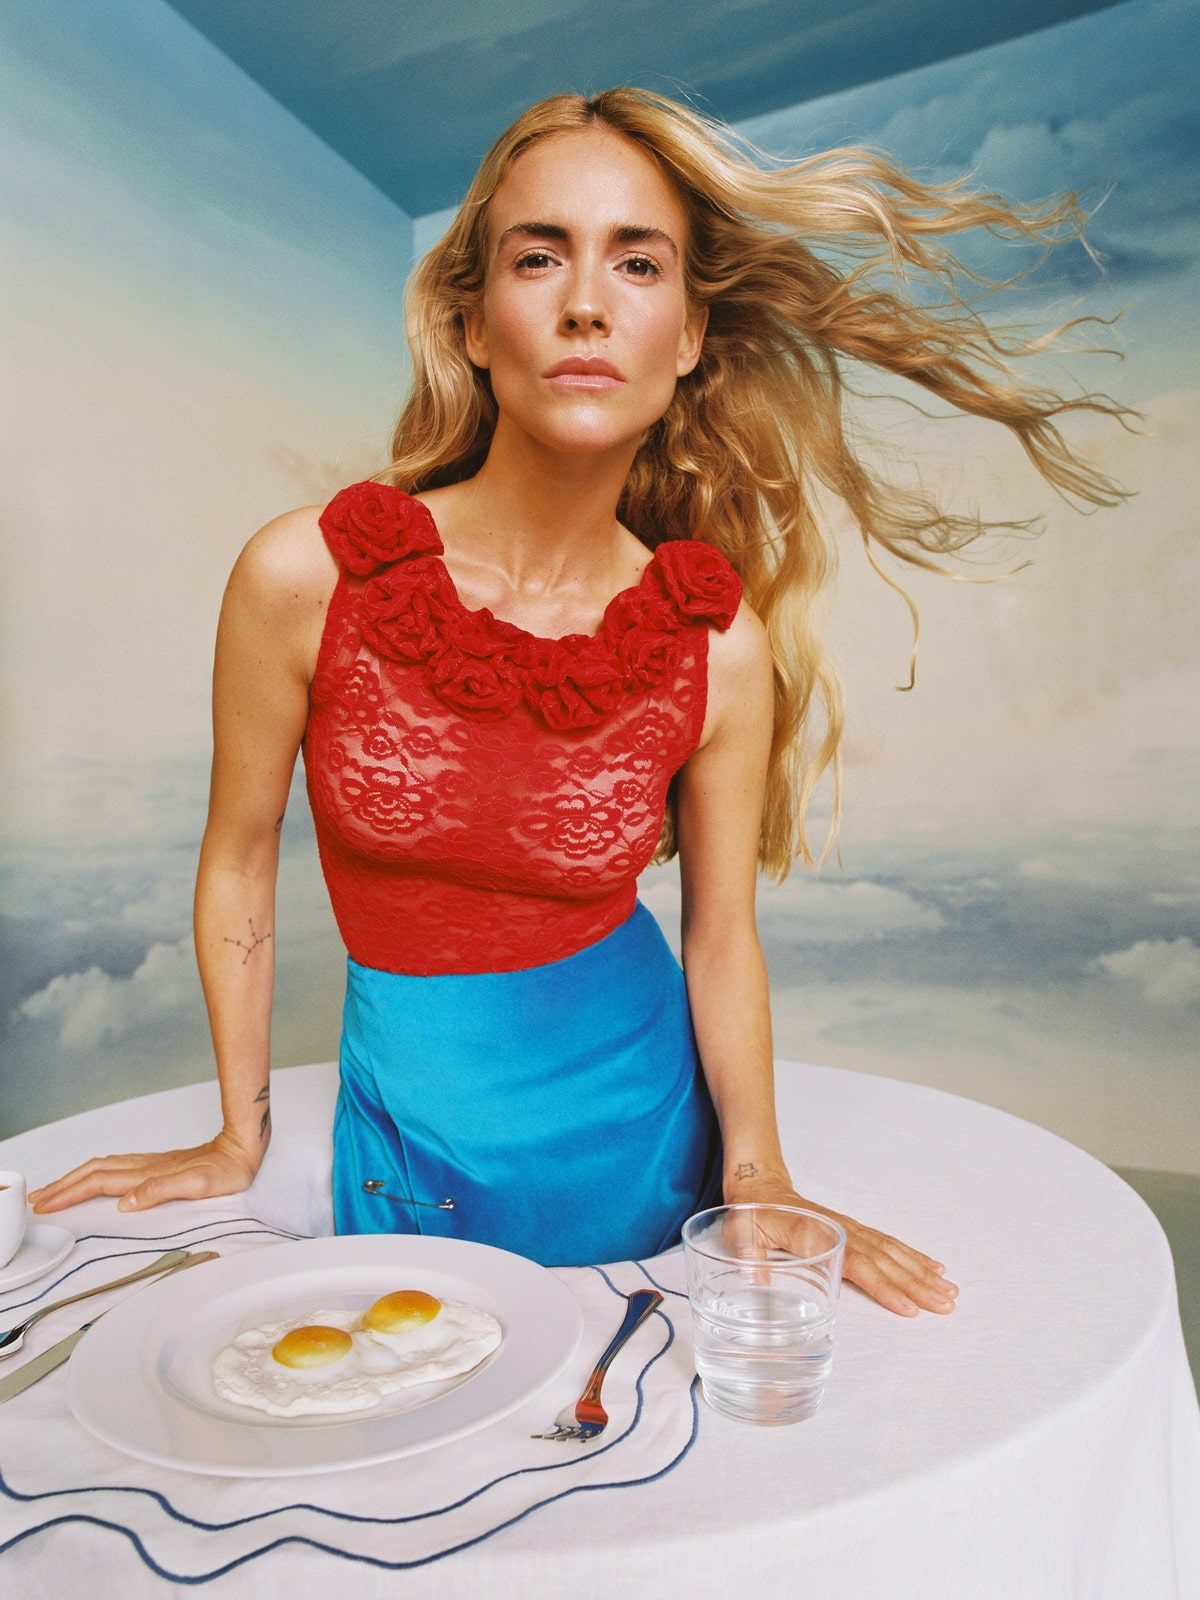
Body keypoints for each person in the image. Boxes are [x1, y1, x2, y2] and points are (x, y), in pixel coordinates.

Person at [27, 89, 1133, 1315]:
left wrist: (759, 1172)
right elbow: (238, 858)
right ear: (475, 322)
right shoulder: (305, 577)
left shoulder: (717, 647)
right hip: (408, 1146)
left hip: (643, 1135)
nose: (588, 303)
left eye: (637, 263)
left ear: (690, 335)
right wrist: (238, 1138)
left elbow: (721, 934)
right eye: (539, 256)